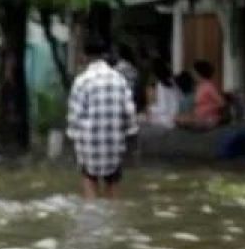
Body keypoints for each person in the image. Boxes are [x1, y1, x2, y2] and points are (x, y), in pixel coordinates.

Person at [67, 37, 137, 200]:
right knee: (113, 183)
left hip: (89, 143)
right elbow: (129, 112)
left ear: (84, 56)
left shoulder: (81, 81)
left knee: (89, 179)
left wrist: (73, 138)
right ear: (105, 55)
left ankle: (93, 218)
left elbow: (75, 118)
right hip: (114, 140)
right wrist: (129, 134)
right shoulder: (119, 79)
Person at [176, 60, 226, 130]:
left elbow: (222, 103)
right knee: (178, 118)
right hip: (198, 116)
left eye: (194, 72)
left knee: (184, 120)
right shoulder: (199, 86)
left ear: (199, 73)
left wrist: (207, 109)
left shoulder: (209, 86)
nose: (192, 75)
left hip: (209, 117)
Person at [145, 59, 179, 128]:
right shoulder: (173, 82)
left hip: (166, 121)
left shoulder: (161, 85)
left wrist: (150, 108)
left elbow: (163, 108)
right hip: (173, 117)